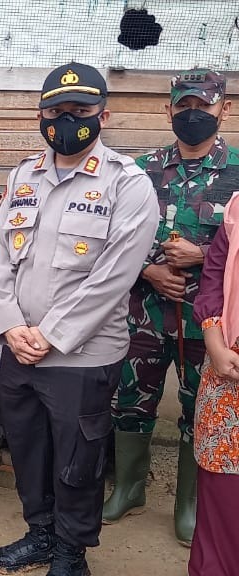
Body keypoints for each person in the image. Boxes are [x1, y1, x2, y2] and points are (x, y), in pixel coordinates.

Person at [0, 63, 159, 576]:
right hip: (19, 348)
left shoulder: (128, 183)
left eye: (80, 110)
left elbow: (115, 275)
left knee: (77, 460)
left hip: (82, 354)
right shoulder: (23, 175)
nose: (66, 121)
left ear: (104, 115)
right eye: (56, 110)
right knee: (28, 448)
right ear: (39, 115)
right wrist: (10, 325)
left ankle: (70, 554)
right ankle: (40, 535)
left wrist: (51, 334)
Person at [103, 69, 235, 546]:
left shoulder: (237, 173)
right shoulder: (140, 170)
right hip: (143, 312)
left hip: (209, 320)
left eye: (204, 105)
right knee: (130, 399)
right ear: (168, 110)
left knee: (198, 407)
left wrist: (204, 254)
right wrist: (148, 270)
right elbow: (112, 234)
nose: (193, 114)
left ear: (224, 109)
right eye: (184, 105)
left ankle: (188, 503)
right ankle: (129, 489)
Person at [189, 196, 239, 576]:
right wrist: (213, 338)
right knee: (224, 485)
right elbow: (215, 274)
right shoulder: (237, 212)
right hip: (229, 364)